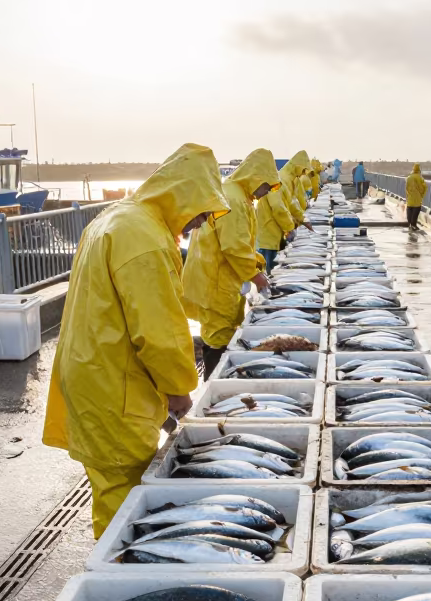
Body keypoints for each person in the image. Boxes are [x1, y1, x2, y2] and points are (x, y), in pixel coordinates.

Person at [43, 143, 229, 538]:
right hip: (113, 386)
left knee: (110, 488)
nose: (199, 222)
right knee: (122, 503)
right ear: (183, 195)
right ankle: (115, 577)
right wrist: (179, 390)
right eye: (201, 210)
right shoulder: (146, 237)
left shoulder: (116, 218)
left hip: (92, 373)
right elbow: (160, 331)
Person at [183, 148, 279, 378]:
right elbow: (233, 247)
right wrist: (256, 276)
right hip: (216, 282)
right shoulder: (234, 199)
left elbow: (242, 243)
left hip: (218, 278)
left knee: (219, 334)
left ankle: (220, 379)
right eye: (265, 186)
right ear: (256, 177)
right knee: (217, 339)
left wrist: (257, 265)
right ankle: (214, 385)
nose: (265, 192)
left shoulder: (236, 194)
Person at [405, 163, 427, 229]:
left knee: (409, 210)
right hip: (417, 198)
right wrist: (422, 195)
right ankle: (413, 225)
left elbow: (406, 188)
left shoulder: (409, 178)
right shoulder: (420, 178)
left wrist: (408, 195)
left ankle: (409, 224)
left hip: (410, 198)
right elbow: (424, 187)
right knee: (416, 212)